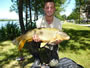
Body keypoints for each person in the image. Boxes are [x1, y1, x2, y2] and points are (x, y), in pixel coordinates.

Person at [29, 0, 62, 68]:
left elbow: (59, 38)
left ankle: (51, 59)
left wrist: (58, 41)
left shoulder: (58, 22)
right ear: (44, 9)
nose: (49, 10)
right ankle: (37, 58)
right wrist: (37, 39)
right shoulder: (39, 22)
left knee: (54, 65)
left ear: (54, 9)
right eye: (47, 7)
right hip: (42, 44)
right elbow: (39, 37)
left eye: (51, 7)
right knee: (31, 40)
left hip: (53, 46)